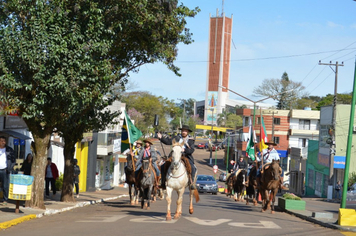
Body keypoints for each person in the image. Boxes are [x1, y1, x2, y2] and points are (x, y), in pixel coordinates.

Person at [157, 124, 197, 190]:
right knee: (163, 166)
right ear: (181, 131)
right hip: (175, 155)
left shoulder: (191, 140)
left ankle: (191, 183)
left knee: (193, 167)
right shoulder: (176, 138)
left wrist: (185, 150)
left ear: (187, 132)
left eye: (185, 131)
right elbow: (168, 142)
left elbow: (192, 150)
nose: (184, 132)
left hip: (185, 156)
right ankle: (163, 183)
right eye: (183, 130)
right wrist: (161, 137)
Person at [0, 136, 16, 205]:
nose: (3, 142)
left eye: (4, 141)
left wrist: (9, 168)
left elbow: (13, 160)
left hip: (5, 170)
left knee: (5, 186)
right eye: (1, 141)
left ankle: (5, 199)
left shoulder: (9, 149)